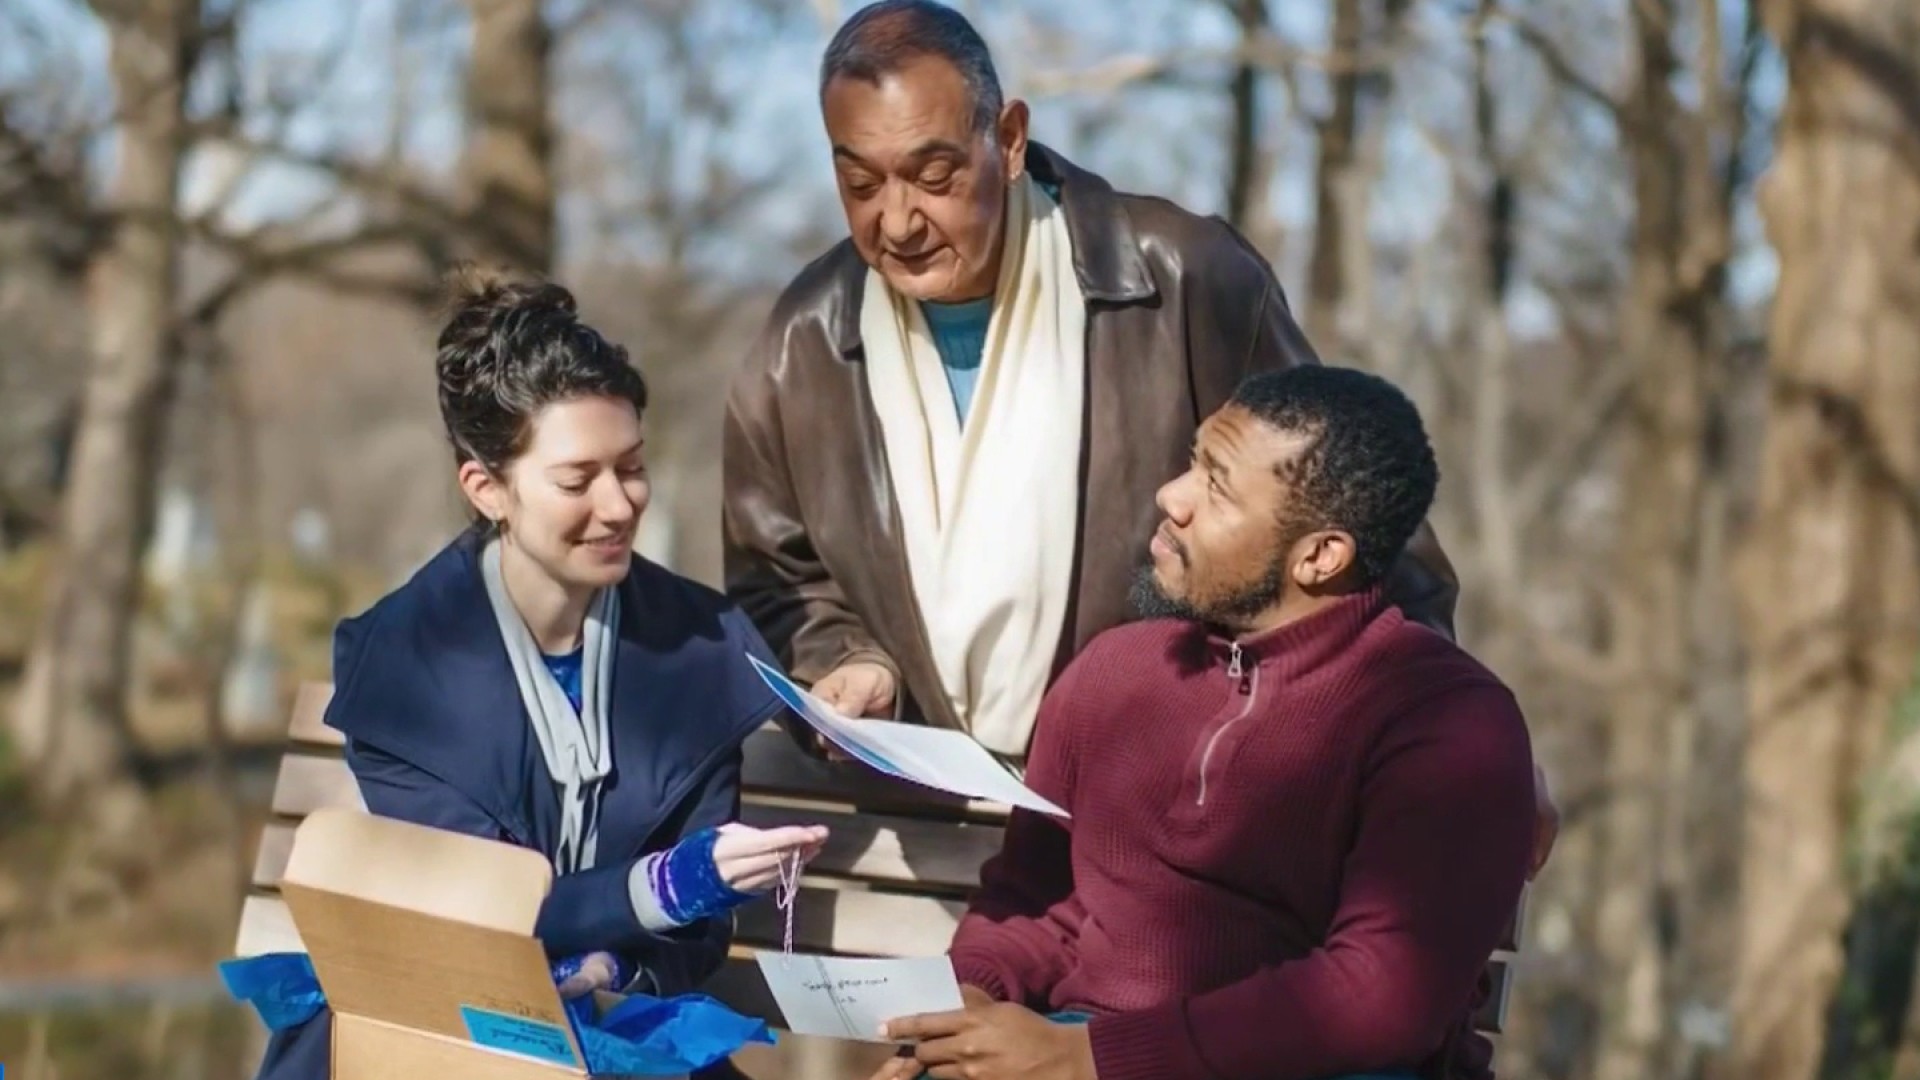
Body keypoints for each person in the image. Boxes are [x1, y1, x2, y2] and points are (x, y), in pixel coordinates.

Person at [721, 0, 1459, 768]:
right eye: (861, 184)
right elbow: (773, 578)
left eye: (933, 175)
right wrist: (850, 659)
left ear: (1007, 140)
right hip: (909, 806)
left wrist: (1443, 743)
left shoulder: (1180, 281)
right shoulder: (801, 338)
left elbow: (1359, 516)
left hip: (1157, 803)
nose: (898, 221)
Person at [871, 366, 1537, 1080]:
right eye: (1193, 462)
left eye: (1216, 487)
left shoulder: (1445, 722)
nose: (1171, 496)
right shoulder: (1116, 669)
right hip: (1076, 1044)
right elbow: (1037, 899)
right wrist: (972, 1001)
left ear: (1319, 556)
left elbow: (1377, 999)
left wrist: (1087, 1062)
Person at [253, 270, 827, 1079]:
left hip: (619, 1023)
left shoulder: (703, 649)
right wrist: (664, 884)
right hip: (431, 1018)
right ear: (487, 489)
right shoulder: (401, 660)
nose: (619, 504)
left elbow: (696, 939)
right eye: (576, 478)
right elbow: (471, 910)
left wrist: (617, 969)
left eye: (631, 467)